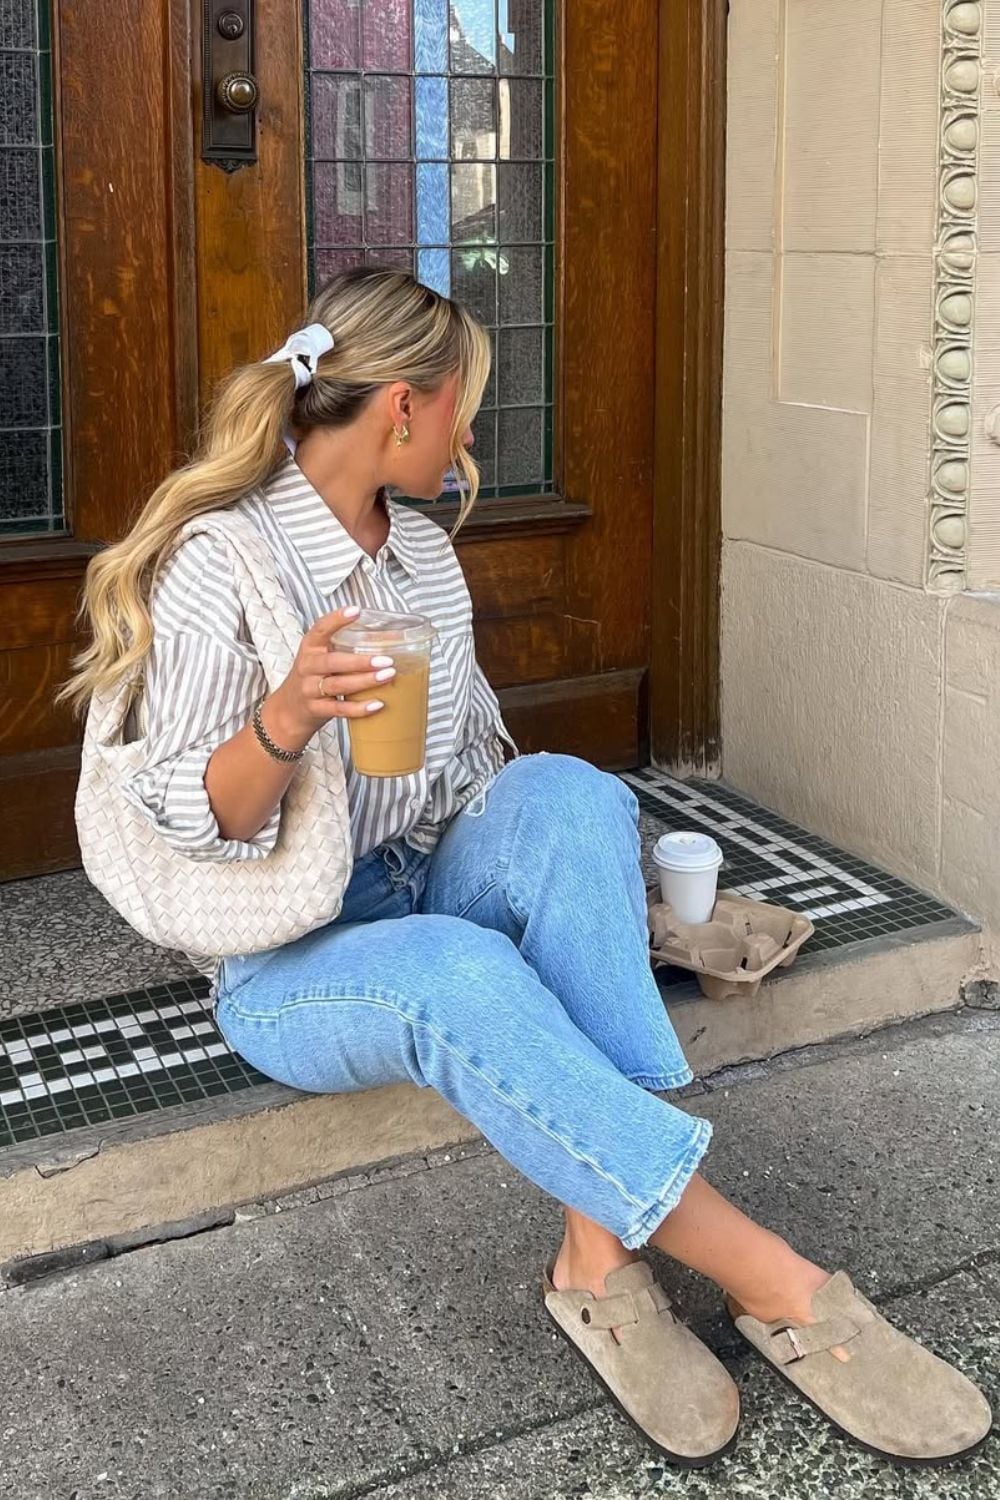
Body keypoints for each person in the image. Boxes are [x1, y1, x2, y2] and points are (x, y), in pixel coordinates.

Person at [65, 268, 992, 1469]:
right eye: (462, 406)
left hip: (411, 874)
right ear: (404, 408)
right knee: (454, 970)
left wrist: (598, 876)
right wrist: (287, 717)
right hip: (283, 957)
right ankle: (782, 1287)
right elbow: (194, 821)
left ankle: (594, 1259)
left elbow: (468, 781)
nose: (470, 433)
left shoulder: (419, 559)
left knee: (570, 794)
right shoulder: (218, 561)